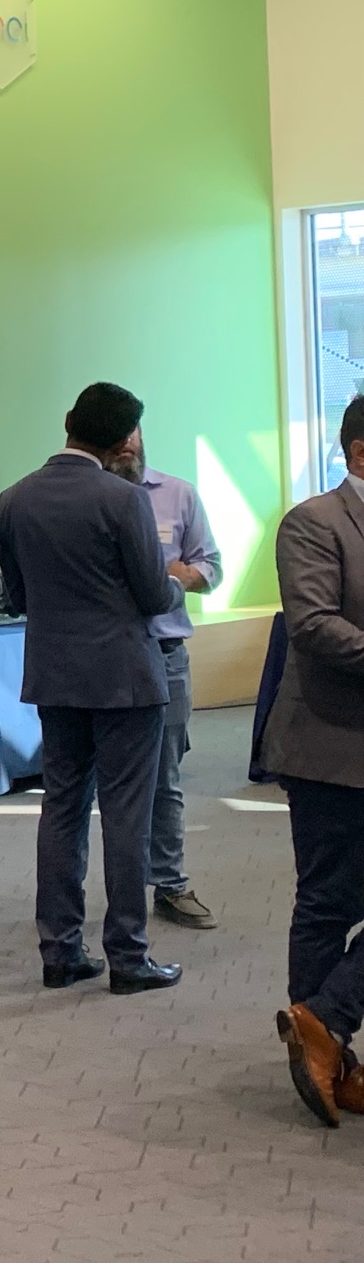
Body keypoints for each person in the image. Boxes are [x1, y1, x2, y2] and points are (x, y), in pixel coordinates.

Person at [0, 382, 185, 996]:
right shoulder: (124, 499)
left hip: (54, 676)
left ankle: (60, 951)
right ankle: (128, 956)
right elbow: (153, 595)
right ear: (126, 440)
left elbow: (17, 597)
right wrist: (177, 584)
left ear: (68, 422)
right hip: (126, 680)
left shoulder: (14, 499)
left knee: (62, 809)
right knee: (126, 816)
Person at [268, 394, 364, 1127]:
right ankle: (330, 1056)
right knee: (329, 902)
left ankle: (324, 1026)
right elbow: (313, 625)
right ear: (360, 453)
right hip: (334, 747)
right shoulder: (314, 522)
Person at [108, 428, 224, 930]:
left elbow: (210, 568)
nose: (127, 446)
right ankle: (101, 895)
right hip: (104, 658)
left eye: (133, 436)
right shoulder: (88, 500)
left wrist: (173, 577)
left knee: (165, 779)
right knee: (93, 784)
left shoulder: (179, 494)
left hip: (166, 655)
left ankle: (170, 885)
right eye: (118, 437)